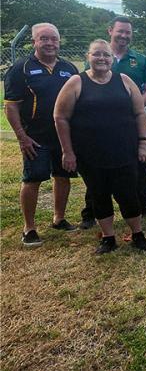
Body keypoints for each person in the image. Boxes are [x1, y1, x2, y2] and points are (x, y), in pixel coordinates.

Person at [53, 39, 146, 254]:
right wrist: (67, 151)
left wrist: (143, 143)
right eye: (97, 54)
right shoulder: (76, 82)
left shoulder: (124, 80)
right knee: (99, 194)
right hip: (90, 154)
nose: (102, 59)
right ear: (88, 56)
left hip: (124, 151)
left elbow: (140, 112)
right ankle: (108, 238)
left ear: (111, 59)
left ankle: (137, 234)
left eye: (106, 55)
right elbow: (60, 117)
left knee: (128, 193)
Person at [79, 16, 146, 227]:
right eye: (120, 31)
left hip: (136, 122)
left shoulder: (140, 59)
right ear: (110, 31)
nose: (124, 35)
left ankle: (144, 206)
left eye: (128, 32)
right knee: (96, 166)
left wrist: (134, 106)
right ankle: (91, 212)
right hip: (101, 126)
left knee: (142, 164)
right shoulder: (98, 56)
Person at [4, 23, 79, 247]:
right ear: (34, 41)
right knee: (33, 179)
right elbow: (11, 107)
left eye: (54, 39)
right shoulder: (21, 68)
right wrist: (21, 136)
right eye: (44, 38)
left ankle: (59, 218)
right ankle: (29, 227)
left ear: (59, 41)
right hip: (35, 136)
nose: (49, 43)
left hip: (64, 136)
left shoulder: (69, 68)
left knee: (63, 176)